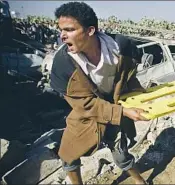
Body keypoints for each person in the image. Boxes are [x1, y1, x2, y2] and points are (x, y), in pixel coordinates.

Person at [49, 2, 149, 184]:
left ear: (90, 30)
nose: (62, 36)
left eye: (69, 30)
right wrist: (123, 112)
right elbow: (84, 104)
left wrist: (138, 93)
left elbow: (129, 73)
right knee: (68, 155)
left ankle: (139, 181)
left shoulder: (121, 47)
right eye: (61, 30)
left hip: (117, 106)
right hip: (87, 113)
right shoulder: (63, 64)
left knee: (120, 155)